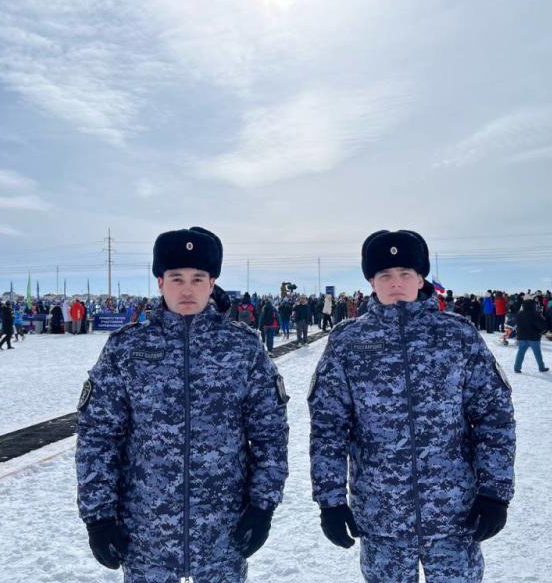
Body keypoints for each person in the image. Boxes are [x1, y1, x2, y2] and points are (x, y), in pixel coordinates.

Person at [76, 226, 288, 582]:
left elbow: (270, 434)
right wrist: (98, 517)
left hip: (223, 532)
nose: (187, 289)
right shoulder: (127, 349)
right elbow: (98, 436)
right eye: (176, 278)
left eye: (197, 278)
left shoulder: (243, 348)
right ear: (160, 282)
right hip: (146, 533)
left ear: (212, 282)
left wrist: (262, 506)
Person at [309, 229, 515, 583]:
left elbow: (493, 417)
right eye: (385, 275)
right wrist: (330, 500)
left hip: (454, 514)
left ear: (421, 278)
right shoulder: (348, 342)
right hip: (381, 517)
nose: (396, 283)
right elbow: (329, 427)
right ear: (371, 281)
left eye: (405, 273)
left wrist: (496, 492)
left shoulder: (457, 335)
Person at [514, 298, 549, 373]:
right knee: (537, 353)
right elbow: (542, 325)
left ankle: (517, 368)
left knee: (520, 352)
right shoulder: (535, 314)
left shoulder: (519, 314)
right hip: (534, 337)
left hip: (522, 337)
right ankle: (541, 367)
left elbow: (517, 323)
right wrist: (542, 330)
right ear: (532, 305)